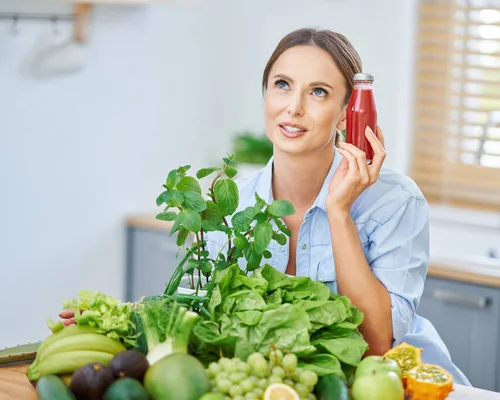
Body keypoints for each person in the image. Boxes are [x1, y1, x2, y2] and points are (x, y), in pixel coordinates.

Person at [61, 27, 470, 386]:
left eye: (318, 92)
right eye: (282, 85)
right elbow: (196, 314)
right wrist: (112, 319)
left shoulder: (395, 201)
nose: (293, 107)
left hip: (404, 384)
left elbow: (377, 341)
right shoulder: (230, 203)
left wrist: (340, 212)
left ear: (347, 113)